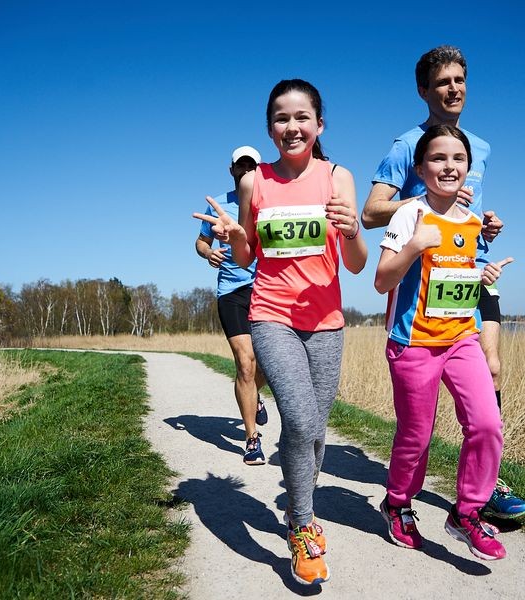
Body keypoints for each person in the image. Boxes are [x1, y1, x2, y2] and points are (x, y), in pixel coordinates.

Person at [194, 79, 367, 586]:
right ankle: (303, 526)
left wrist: (353, 229)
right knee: (300, 417)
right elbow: (248, 258)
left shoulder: (338, 178)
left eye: (300, 117)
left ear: (319, 124)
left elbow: (354, 266)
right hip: (270, 314)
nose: (291, 127)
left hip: (327, 323)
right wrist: (235, 235)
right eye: (280, 118)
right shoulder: (256, 184)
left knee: (314, 430)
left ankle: (298, 506)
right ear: (270, 127)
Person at [361, 44, 525, 523]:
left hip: (472, 272)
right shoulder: (405, 146)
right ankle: (403, 500)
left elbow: (467, 208)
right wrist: (426, 209)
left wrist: (482, 225)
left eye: (460, 80)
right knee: (420, 420)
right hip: (422, 284)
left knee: (491, 370)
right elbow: (371, 212)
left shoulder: (481, 146)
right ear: (424, 91)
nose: (454, 89)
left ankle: (484, 486)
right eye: (443, 82)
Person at [374, 124, 512, 560]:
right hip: (413, 342)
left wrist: (481, 277)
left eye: (457, 159)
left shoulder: (473, 222)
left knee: (488, 424)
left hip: (461, 339)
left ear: (469, 168)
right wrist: (414, 245)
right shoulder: (408, 215)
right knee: (416, 436)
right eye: (437, 158)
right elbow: (382, 281)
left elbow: (455, 281)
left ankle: (467, 512)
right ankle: (397, 503)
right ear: (420, 167)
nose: (448, 167)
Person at [196, 145, 270, 465]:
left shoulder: (269, 202)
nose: (245, 172)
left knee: (267, 364)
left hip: (266, 290)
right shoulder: (219, 203)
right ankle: (251, 438)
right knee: (244, 361)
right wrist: (207, 252)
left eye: (251, 167)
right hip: (231, 292)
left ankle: (253, 395)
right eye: (240, 167)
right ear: (231, 171)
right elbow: (201, 242)